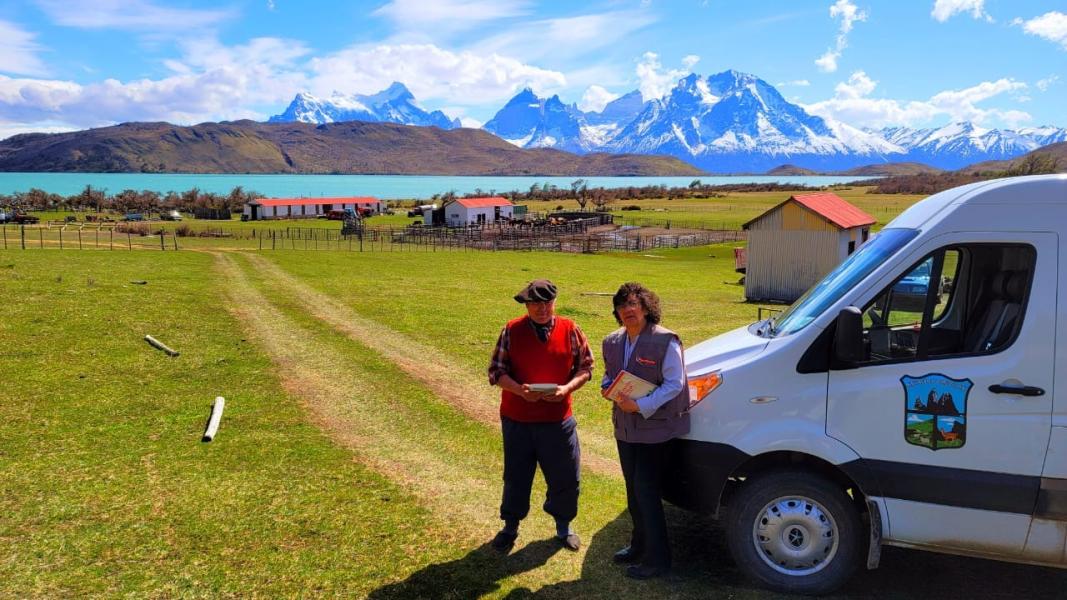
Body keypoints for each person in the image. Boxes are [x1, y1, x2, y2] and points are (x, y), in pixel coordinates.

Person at [487, 279, 594, 553]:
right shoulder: (511, 330)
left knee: (566, 476)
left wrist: (567, 388)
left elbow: (586, 367)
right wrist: (519, 390)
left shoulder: (571, 330)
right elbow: (496, 372)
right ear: (527, 305)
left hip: (558, 420)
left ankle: (563, 527)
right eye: (535, 303)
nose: (542, 308)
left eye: (547, 302)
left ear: (554, 303)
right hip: (518, 420)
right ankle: (510, 526)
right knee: (516, 476)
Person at [601, 282, 690, 580]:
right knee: (632, 490)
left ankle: (658, 560)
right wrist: (607, 388)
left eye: (633, 305)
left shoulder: (666, 341)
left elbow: (675, 384)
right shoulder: (612, 341)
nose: (628, 310)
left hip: (655, 430)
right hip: (625, 430)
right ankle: (638, 546)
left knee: (646, 491)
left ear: (645, 308)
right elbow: (609, 374)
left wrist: (641, 405)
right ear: (616, 311)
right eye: (622, 306)